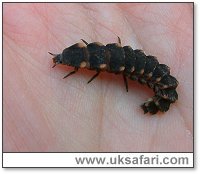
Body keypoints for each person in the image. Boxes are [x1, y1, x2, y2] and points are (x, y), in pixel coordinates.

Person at [3, 3, 193, 152]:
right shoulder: (95, 57)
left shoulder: (159, 82)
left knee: (124, 63)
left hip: (153, 75)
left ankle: (155, 102)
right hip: (144, 70)